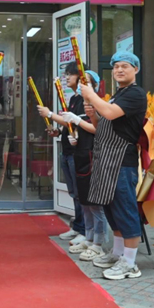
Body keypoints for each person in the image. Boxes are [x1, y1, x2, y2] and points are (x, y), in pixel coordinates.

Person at [79, 51, 147, 280]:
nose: (119, 70)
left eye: (124, 66)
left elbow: (109, 112)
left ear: (135, 69)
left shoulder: (135, 94)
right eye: (116, 66)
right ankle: (118, 253)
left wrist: (91, 95)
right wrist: (93, 116)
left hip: (122, 161)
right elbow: (103, 126)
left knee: (125, 210)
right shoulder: (118, 95)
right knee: (111, 208)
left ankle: (130, 263)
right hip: (105, 160)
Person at [37, 66, 108, 257]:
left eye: (86, 82)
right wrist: (68, 133)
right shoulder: (77, 100)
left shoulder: (96, 104)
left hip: (91, 156)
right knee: (82, 198)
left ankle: (97, 242)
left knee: (93, 202)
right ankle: (87, 236)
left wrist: (54, 115)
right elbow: (74, 126)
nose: (68, 78)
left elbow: (97, 129)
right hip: (78, 153)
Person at [36, 63, 87, 245]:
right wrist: (57, 132)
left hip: (77, 152)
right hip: (66, 150)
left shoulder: (85, 99)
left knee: (81, 193)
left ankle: (85, 230)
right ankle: (77, 226)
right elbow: (68, 126)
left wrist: (50, 114)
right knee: (74, 192)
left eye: (70, 74)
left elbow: (75, 122)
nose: (67, 78)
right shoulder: (73, 98)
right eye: (65, 74)